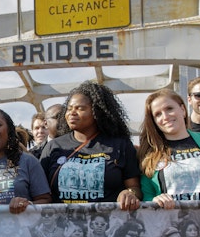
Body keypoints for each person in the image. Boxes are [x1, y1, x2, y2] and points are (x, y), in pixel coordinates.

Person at [39, 81, 142, 209]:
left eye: (80, 108)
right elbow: (40, 193)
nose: (72, 113)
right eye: (69, 109)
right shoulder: (53, 147)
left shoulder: (121, 145)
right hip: (63, 226)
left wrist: (129, 193)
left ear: (96, 112)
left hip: (107, 224)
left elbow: (134, 187)